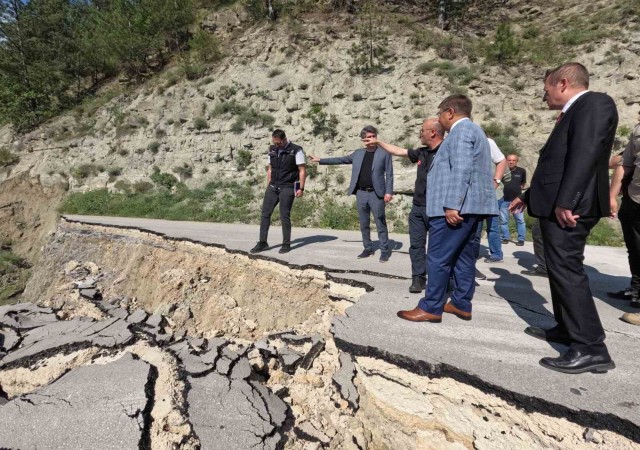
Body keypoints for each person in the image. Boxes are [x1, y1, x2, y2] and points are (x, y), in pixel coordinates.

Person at [510, 63, 618, 374]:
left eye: (546, 90)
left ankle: (591, 347)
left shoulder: (595, 103)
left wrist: (567, 200)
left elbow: (585, 154)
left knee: (567, 270)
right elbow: (556, 164)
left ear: (563, 83)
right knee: (558, 271)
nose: (543, 96)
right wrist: (529, 196)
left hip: (571, 208)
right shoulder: (574, 112)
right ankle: (568, 329)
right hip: (557, 203)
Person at [397, 94, 497, 323]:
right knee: (463, 257)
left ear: (450, 112)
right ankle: (461, 303)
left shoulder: (461, 132)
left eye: (441, 111)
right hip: (472, 207)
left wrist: (453, 205)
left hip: (454, 209)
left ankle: (431, 306)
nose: (439, 117)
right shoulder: (476, 131)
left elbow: (461, 170)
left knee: (438, 257)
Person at [362, 118, 444, 292]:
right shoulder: (421, 152)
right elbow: (398, 151)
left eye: (422, 130)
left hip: (438, 208)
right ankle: (418, 278)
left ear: (433, 132)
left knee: (438, 248)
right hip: (418, 207)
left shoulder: (447, 150)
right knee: (416, 245)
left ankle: (441, 280)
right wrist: (378, 142)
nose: (420, 133)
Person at [309, 126, 394, 262]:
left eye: (373, 136)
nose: (371, 139)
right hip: (360, 193)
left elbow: (389, 174)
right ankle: (367, 248)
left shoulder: (384, 153)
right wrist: (320, 160)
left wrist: (389, 191)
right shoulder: (358, 153)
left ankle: (384, 250)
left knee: (380, 222)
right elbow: (340, 160)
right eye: (368, 137)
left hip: (376, 194)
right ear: (363, 139)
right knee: (363, 223)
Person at [250, 129, 306, 254]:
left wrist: (300, 188)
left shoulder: (296, 150)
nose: (276, 145)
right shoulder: (272, 149)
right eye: (274, 143)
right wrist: (268, 183)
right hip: (273, 186)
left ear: (284, 139)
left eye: (278, 143)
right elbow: (270, 168)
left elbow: (302, 170)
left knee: (284, 216)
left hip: (288, 186)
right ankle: (262, 243)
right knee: (265, 214)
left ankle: (286, 244)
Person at [610, 110, 640, 325]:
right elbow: (624, 162)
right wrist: (612, 196)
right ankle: (636, 290)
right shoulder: (638, 130)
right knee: (635, 248)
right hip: (634, 198)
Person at [471, 138, 507, 276]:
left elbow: (505, 171)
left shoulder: (488, 145)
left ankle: (493, 254)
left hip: (494, 196)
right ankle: (495, 254)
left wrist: (496, 182)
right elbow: (507, 174)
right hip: (488, 195)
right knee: (486, 227)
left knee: (486, 227)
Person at [499, 154, 527, 246]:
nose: (511, 162)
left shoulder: (521, 171)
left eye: (513, 160)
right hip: (504, 200)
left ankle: (521, 239)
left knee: (520, 221)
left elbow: (523, 184)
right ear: (506, 160)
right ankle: (505, 238)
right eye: (509, 160)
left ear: (516, 161)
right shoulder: (502, 170)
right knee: (503, 221)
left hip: (517, 201)